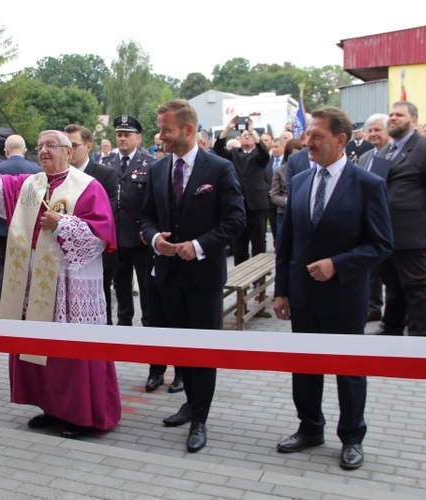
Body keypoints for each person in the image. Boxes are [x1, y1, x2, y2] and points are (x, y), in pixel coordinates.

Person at [0, 129, 120, 439]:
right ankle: (52, 407)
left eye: (51, 146)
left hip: (71, 282)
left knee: (70, 349)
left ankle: (82, 415)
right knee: (41, 346)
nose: (43, 151)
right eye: (40, 146)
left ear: (68, 152)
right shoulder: (32, 186)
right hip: (36, 279)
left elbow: (102, 235)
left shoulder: (87, 186)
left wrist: (62, 224)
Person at [273, 106, 393, 471]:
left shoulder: (368, 184)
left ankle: (352, 437)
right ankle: (310, 428)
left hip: (344, 297)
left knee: (349, 370)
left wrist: (337, 265)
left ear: (341, 140)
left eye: (317, 136)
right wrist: (282, 290)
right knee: (305, 367)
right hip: (303, 296)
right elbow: (287, 243)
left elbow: (381, 243)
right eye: (308, 135)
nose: (308, 142)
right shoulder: (300, 181)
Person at [141, 99, 246, 453]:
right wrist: (156, 239)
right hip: (168, 277)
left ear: (188, 130)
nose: (161, 136)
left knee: (203, 351)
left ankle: (200, 417)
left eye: (166, 129)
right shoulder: (157, 170)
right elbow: (146, 217)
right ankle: (189, 402)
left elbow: (235, 221)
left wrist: (199, 245)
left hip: (203, 277)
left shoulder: (218, 168)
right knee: (181, 348)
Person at [375, 101, 426, 337]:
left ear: (414, 120)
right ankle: (391, 327)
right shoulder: (385, 150)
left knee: (415, 284)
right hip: (385, 230)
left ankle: (421, 334)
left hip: (411, 230)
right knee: (392, 283)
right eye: (390, 114)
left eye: (399, 115)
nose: (393, 118)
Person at [102, 116, 154, 327]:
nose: (122, 139)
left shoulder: (150, 164)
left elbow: (153, 202)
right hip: (117, 237)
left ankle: (149, 324)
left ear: (138, 139)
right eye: (119, 135)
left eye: (127, 135)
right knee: (121, 285)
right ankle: (124, 324)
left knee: (146, 285)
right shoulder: (106, 163)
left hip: (140, 236)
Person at [63, 124, 118, 322]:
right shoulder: (58, 175)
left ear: (88, 146)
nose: (68, 151)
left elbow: (109, 214)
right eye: (64, 145)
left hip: (97, 253)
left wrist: (68, 224)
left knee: (100, 306)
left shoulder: (106, 174)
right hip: (64, 255)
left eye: (74, 145)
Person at [0, 135, 41, 300]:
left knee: (4, 270)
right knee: (30, 270)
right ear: (25, 151)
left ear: (5, 151)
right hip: (29, 230)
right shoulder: (37, 170)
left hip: (3, 229)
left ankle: (4, 309)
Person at [213, 116, 270, 269]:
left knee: (258, 240)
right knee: (239, 241)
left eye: (249, 135)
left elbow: (265, 154)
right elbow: (218, 149)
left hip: (256, 203)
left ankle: (259, 273)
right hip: (238, 203)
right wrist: (228, 128)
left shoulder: (259, 155)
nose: (246, 136)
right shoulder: (235, 154)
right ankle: (240, 271)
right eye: (244, 135)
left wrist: (253, 131)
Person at [356, 113, 392, 323]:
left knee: (391, 273)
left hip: (387, 220)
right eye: (371, 130)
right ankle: (373, 306)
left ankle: (394, 314)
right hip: (363, 221)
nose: (373, 134)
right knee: (371, 269)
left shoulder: (393, 155)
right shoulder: (365, 157)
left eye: (378, 130)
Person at [269, 138, 303, 242]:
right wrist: (287, 201)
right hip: (284, 213)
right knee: (282, 243)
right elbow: (274, 195)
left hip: (301, 213)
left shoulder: (308, 170)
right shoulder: (280, 170)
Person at [265, 137, 286, 246]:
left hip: (283, 202)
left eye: (276, 147)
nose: (274, 149)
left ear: (283, 147)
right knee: (274, 228)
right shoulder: (268, 161)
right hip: (270, 201)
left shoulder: (287, 162)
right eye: (272, 147)